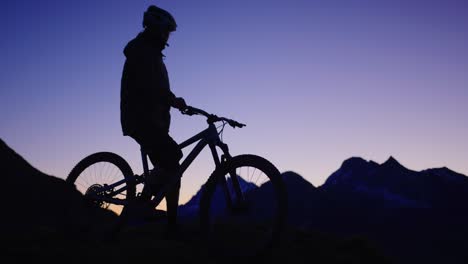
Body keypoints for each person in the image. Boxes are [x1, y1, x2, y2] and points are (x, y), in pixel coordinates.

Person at [120, 4, 186, 235]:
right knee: (172, 156)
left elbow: (155, 87)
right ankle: (143, 205)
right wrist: (173, 100)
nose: (168, 36)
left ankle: (171, 224)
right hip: (141, 118)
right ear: (157, 29)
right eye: (166, 30)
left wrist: (172, 101)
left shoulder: (151, 53)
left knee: (171, 168)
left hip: (150, 120)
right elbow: (150, 86)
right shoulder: (143, 51)